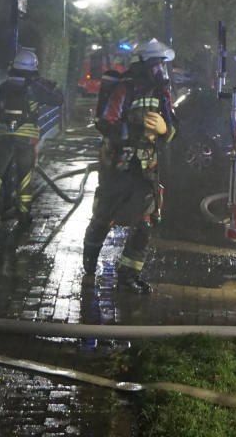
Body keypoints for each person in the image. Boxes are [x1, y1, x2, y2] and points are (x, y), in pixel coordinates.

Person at [82, 38, 178, 293]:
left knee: (146, 222)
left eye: (163, 67)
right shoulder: (125, 89)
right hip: (117, 166)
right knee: (103, 217)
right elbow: (105, 123)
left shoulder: (162, 94)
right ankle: (89, 262)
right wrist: (135, 127)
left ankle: (128, 276)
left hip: (146, 168)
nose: (162, 72)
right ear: (147, 65)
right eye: (159, 66)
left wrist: (164, 128)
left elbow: (172, 133)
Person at [0, 48, 60, 226]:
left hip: (4, 133)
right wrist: (47, 85)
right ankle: (24, 214)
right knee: (25, 173)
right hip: (26, 137)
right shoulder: (35, 86)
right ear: (33, 67)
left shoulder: (3, 86)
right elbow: (58, 99)